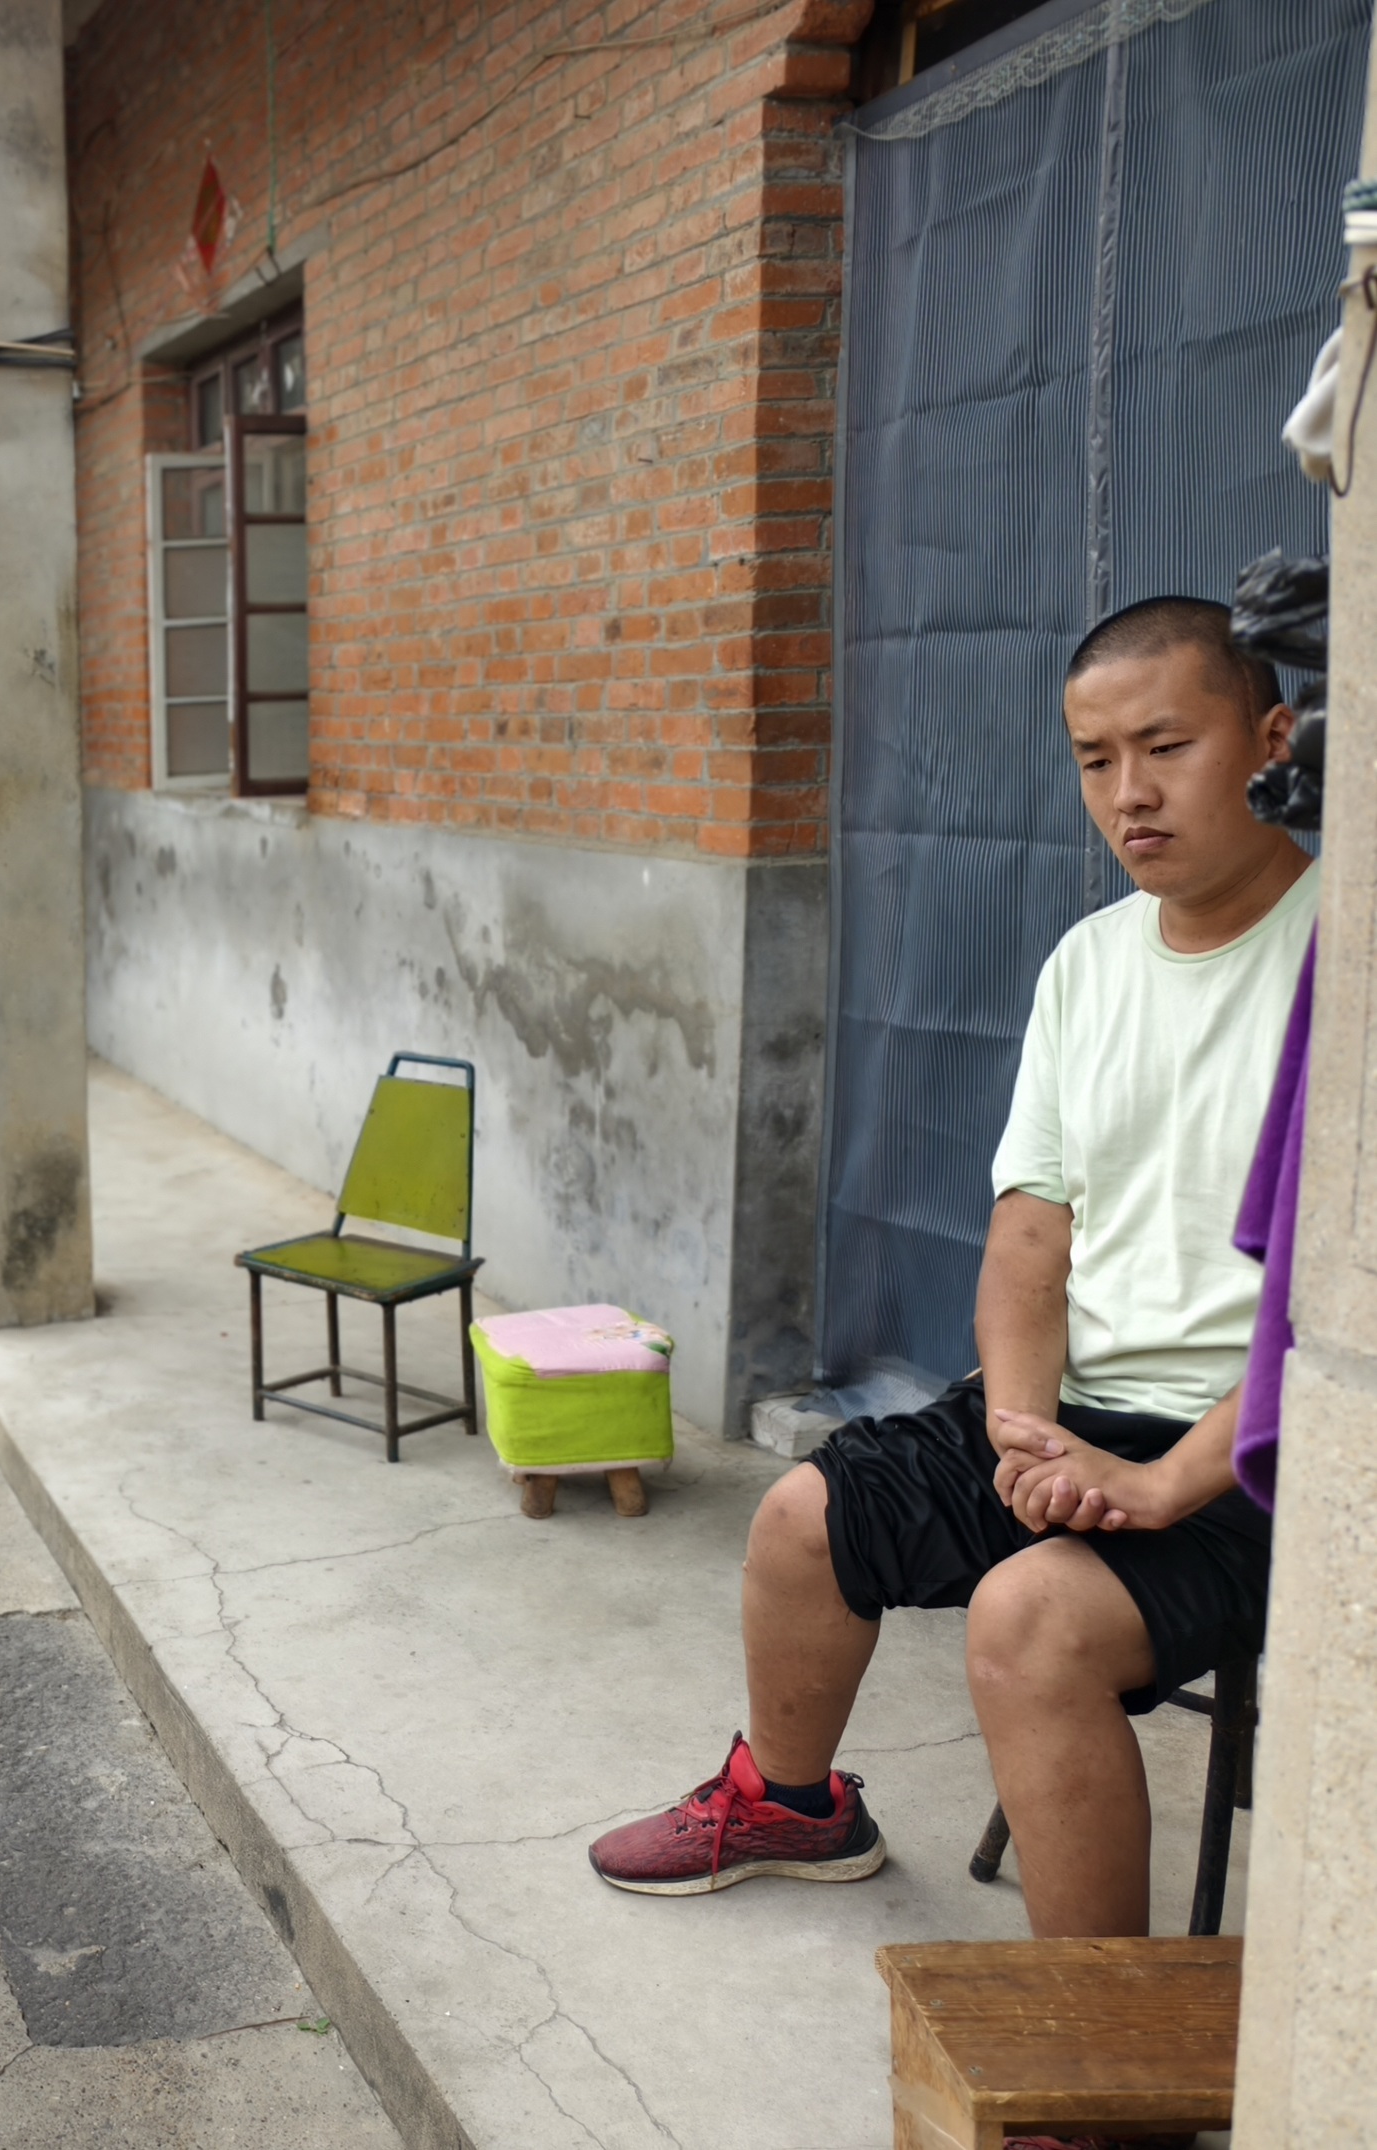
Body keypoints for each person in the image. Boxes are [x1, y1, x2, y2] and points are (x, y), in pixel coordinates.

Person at [589, 596, 1312, 1940]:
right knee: (804, 1519)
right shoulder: (1089, 966)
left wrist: (1159, 1480)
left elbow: (1335, 1314)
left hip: (1269, 1456)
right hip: (1087, 1413)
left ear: (1273, 738)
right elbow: (1031, 1241)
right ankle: (796, 1805)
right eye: (1096, 759)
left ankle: (1088, 2071)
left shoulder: (1345, 958)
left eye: (1167, 745)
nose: (1130, 794)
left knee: (1030, 1619)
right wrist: (1023, 1426)